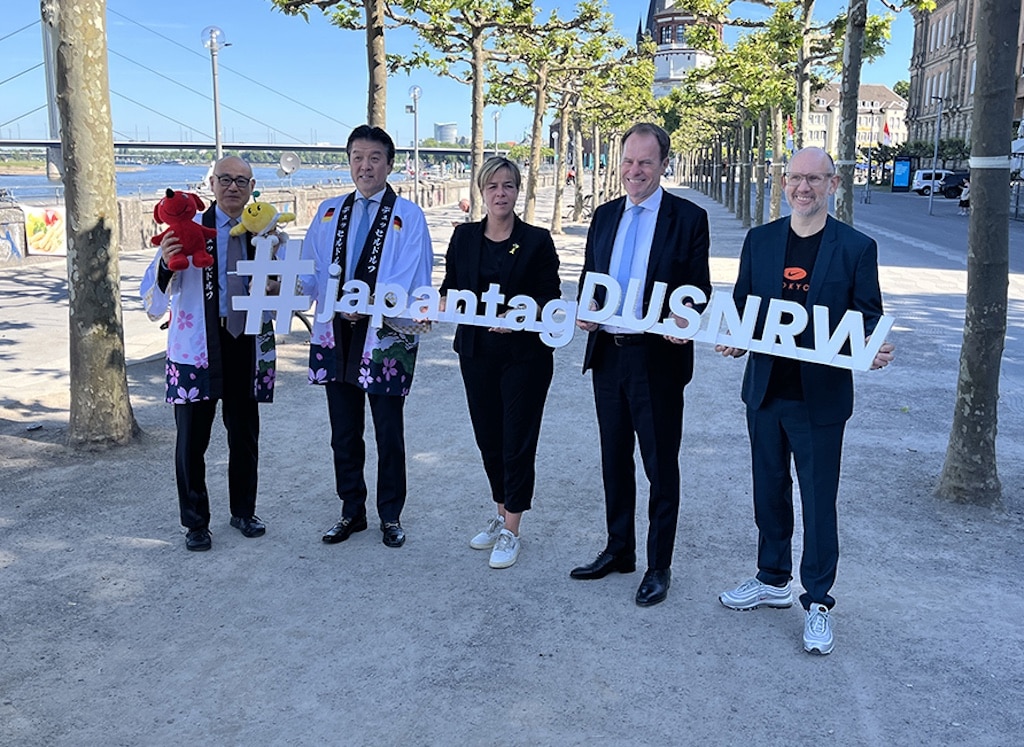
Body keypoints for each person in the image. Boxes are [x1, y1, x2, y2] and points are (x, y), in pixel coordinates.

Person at [715, 147, 895, 655]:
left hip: (820, 400)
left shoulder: (857, 248)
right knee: (767, 491)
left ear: (834, 185)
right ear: (784, 183)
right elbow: (744, 309)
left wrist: (870, 350)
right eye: (796, 178)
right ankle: (771, 578)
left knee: (818, 501)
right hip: (766, 394)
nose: (804, 187)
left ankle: (817, 600)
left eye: (815, 179)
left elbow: (866, 318)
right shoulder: (762, 241)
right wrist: (734, 337)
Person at [571, 122, 712, 607]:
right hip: (608, 356)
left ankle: (658, 564)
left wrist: (684, 316)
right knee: (614, 460)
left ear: (662, 164)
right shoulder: (604, 215)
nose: (635, 171)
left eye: (645, 163)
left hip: (658, 361)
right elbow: (592, 277)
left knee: (659, 466)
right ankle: (619, 549)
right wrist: (586, 310)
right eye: (628, 161)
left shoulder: (689, 219)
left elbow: (699, 290)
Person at [300, 125, 433, 549]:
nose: (365, 165)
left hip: (385, 334)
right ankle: (351, 509)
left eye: (374, 157)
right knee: (343, 429)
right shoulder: (328, 211)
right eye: (357, 157)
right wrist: (281, 287)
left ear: (390, 164)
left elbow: (415, 272)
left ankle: (390, 514)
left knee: (388, 430)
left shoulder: (407, 216)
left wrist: (374, 300)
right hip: (335, 332)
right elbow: (309, 269)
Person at [140, 155, 279, 552]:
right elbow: (151, 297)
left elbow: (289, 283)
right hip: (196, 345)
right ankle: (195, 522)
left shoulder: (264, 230)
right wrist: (167, 265)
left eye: (242, 181)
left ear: (252, 188)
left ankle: (243, 510)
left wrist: (274, 284)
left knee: (245, 434)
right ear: (211, 184)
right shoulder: (186, 229)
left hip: (245, 340)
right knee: (191, 440)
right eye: (225, 179)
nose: (233, 187)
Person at [440, 157, 561, 569]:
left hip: (524, 358)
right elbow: (449, 289)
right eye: (492, 186)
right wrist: (433, 306)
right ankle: (499, 513)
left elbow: (550, 296)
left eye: (508, 186)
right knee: (488, 438)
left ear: (518, 190)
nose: (500, 194)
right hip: (476, 354)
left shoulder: (537, 240)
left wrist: (521, 318)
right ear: (481, 191)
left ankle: (513, 528)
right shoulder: (464, 238)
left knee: (517, 441)